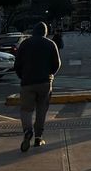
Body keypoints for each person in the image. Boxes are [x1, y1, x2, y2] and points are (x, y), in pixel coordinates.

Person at [14, 22, 61, 152]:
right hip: (45, 82)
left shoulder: (24, 44)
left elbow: (17, 64)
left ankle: (27, 131)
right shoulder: (50, 44)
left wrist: (22, 76)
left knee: (26, 110)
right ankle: (38, 137)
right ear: (45, 32)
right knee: (41, 110)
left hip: (27, 82)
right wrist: (50, 74)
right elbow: (57, 64)